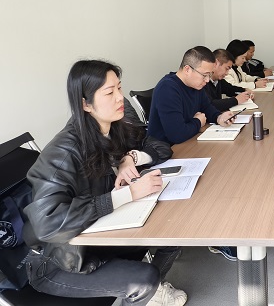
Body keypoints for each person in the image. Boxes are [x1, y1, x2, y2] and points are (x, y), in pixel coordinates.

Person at [22, 60, 186, 305]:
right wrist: (127, 194)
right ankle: (146, 290)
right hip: (60, 260)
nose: (120, 97)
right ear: (85, 104)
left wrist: (131, 158)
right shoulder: (62, 153)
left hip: (99, 233)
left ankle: (150, 293)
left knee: (174, 234)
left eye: (119, 88)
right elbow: (48, 224)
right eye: (109, 92)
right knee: (145, 279)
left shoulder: (115, 128)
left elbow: (160, 146)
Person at [147, 46, 236, 145]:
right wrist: (198, 121)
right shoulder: (167, 89)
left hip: (187, 141)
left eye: (210, 75)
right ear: (187, 70)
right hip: (165, 149)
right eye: (204, 75)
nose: (207, 80)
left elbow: (207, 108)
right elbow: (177, 134)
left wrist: (219, 117)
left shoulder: (195, 85)